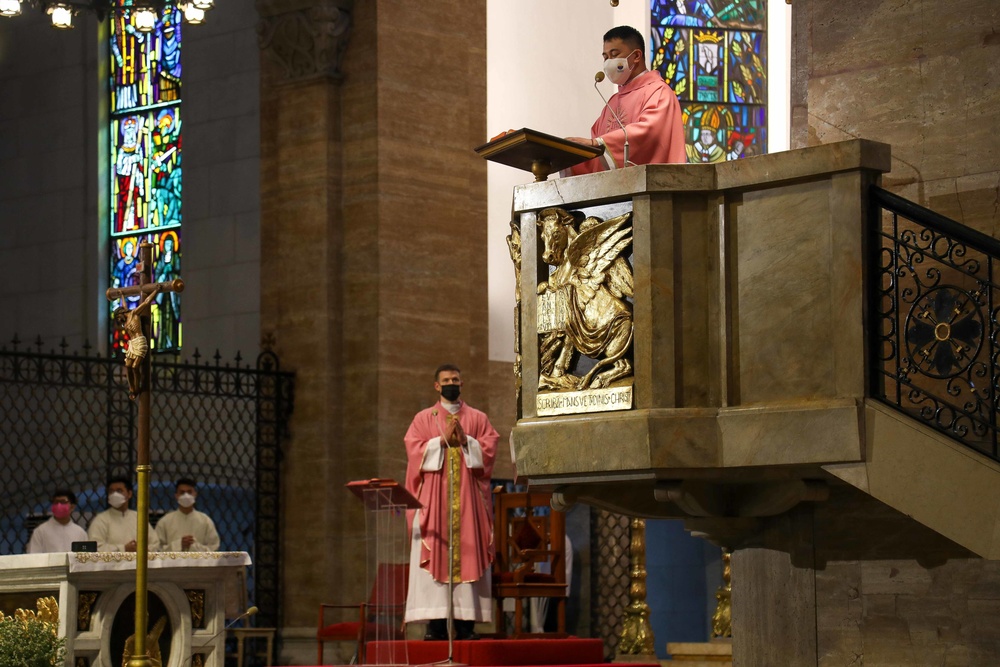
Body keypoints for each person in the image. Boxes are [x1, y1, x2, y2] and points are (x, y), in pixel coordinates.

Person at [404, 364, 499, 641]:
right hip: (434, 504)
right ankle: (435, 626)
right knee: (435, 553)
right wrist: (440, 441)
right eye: (446, 380)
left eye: (455, 379)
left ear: (462, 383)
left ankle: (466, 625)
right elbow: (413, 450)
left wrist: (467, 441)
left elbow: (490, 450)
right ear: (436, 386)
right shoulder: (423, 418)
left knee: (469, 553)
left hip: (468, 502)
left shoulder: (478, 418)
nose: (451, 383)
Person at [567, 25, 686, 174]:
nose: (608, 62)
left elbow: (649, 133)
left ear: (636, 56)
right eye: (605, 57)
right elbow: (596, 157)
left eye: (614, 54)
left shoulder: (658, 92)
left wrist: (598, 143)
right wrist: (567, 156)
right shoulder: (613, 102)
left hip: (650, 191)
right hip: (612, 192)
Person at [87, 476, 161, 552]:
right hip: (112, 563)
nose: (114, 494)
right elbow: (95, 547)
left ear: (129, 494)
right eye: (111, 491)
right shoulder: (101, 520)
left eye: (119, 491)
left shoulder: (139, 518)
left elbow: (155, 544)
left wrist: (141, 549)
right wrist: (123, 549)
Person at [155, 478, 221, 552]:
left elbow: (214, 548)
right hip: (173, 563)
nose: (186, 495)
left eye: (189, 492)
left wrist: (194, 546)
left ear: (195, 494)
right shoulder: (165, 521)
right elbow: (157, 549)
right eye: (182, 492)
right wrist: (179, 545)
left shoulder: (205, 521)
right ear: (176, 496)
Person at [25, 489, 88, 553]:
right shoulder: (40, 531)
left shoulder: (80, 533)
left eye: (63, 502)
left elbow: (85, 558)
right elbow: (33, 557)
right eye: (56, 502)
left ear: (72, 507)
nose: (59, 505)